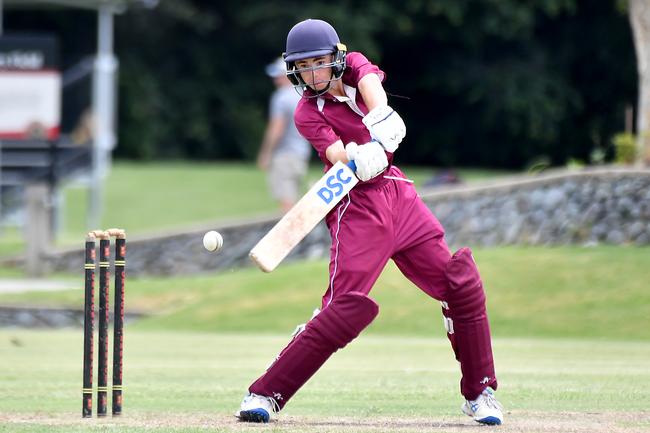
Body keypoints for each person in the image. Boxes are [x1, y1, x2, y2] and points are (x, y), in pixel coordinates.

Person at [237, 19, 504, 426]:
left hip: (402, 197)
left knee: (460, 283)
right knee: (342, 309)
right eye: (303, 66)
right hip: (356, 206)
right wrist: (361, 157)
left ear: (336, 58)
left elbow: (370, 85)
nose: (312, 74)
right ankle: (265, 392)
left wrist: (381, 119)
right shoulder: (307, 113)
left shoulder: (357, 66)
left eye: (319, 63)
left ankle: (480, 393)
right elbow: (337, 155)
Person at [257, 57, 311, 213]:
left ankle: (292, 237)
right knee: (294, 199)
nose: (275, 79)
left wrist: (266, 153)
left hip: (285, 155)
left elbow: (276, 129)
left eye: (278, 76)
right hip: (301, 154)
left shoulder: (281, 97)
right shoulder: (302, 95)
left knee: (286, 206)